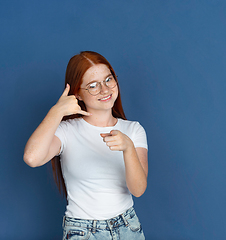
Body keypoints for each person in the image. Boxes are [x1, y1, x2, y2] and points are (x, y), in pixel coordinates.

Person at [23, 51, 148, 240]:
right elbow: (32, 158)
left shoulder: (133, 130)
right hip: (83, 231)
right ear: (78, 94)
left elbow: (138, 190)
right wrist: (56, 111)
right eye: (93, 86)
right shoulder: (66, 131)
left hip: (127, 227)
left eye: (108, 80)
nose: (105, 90)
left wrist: (128, 148)